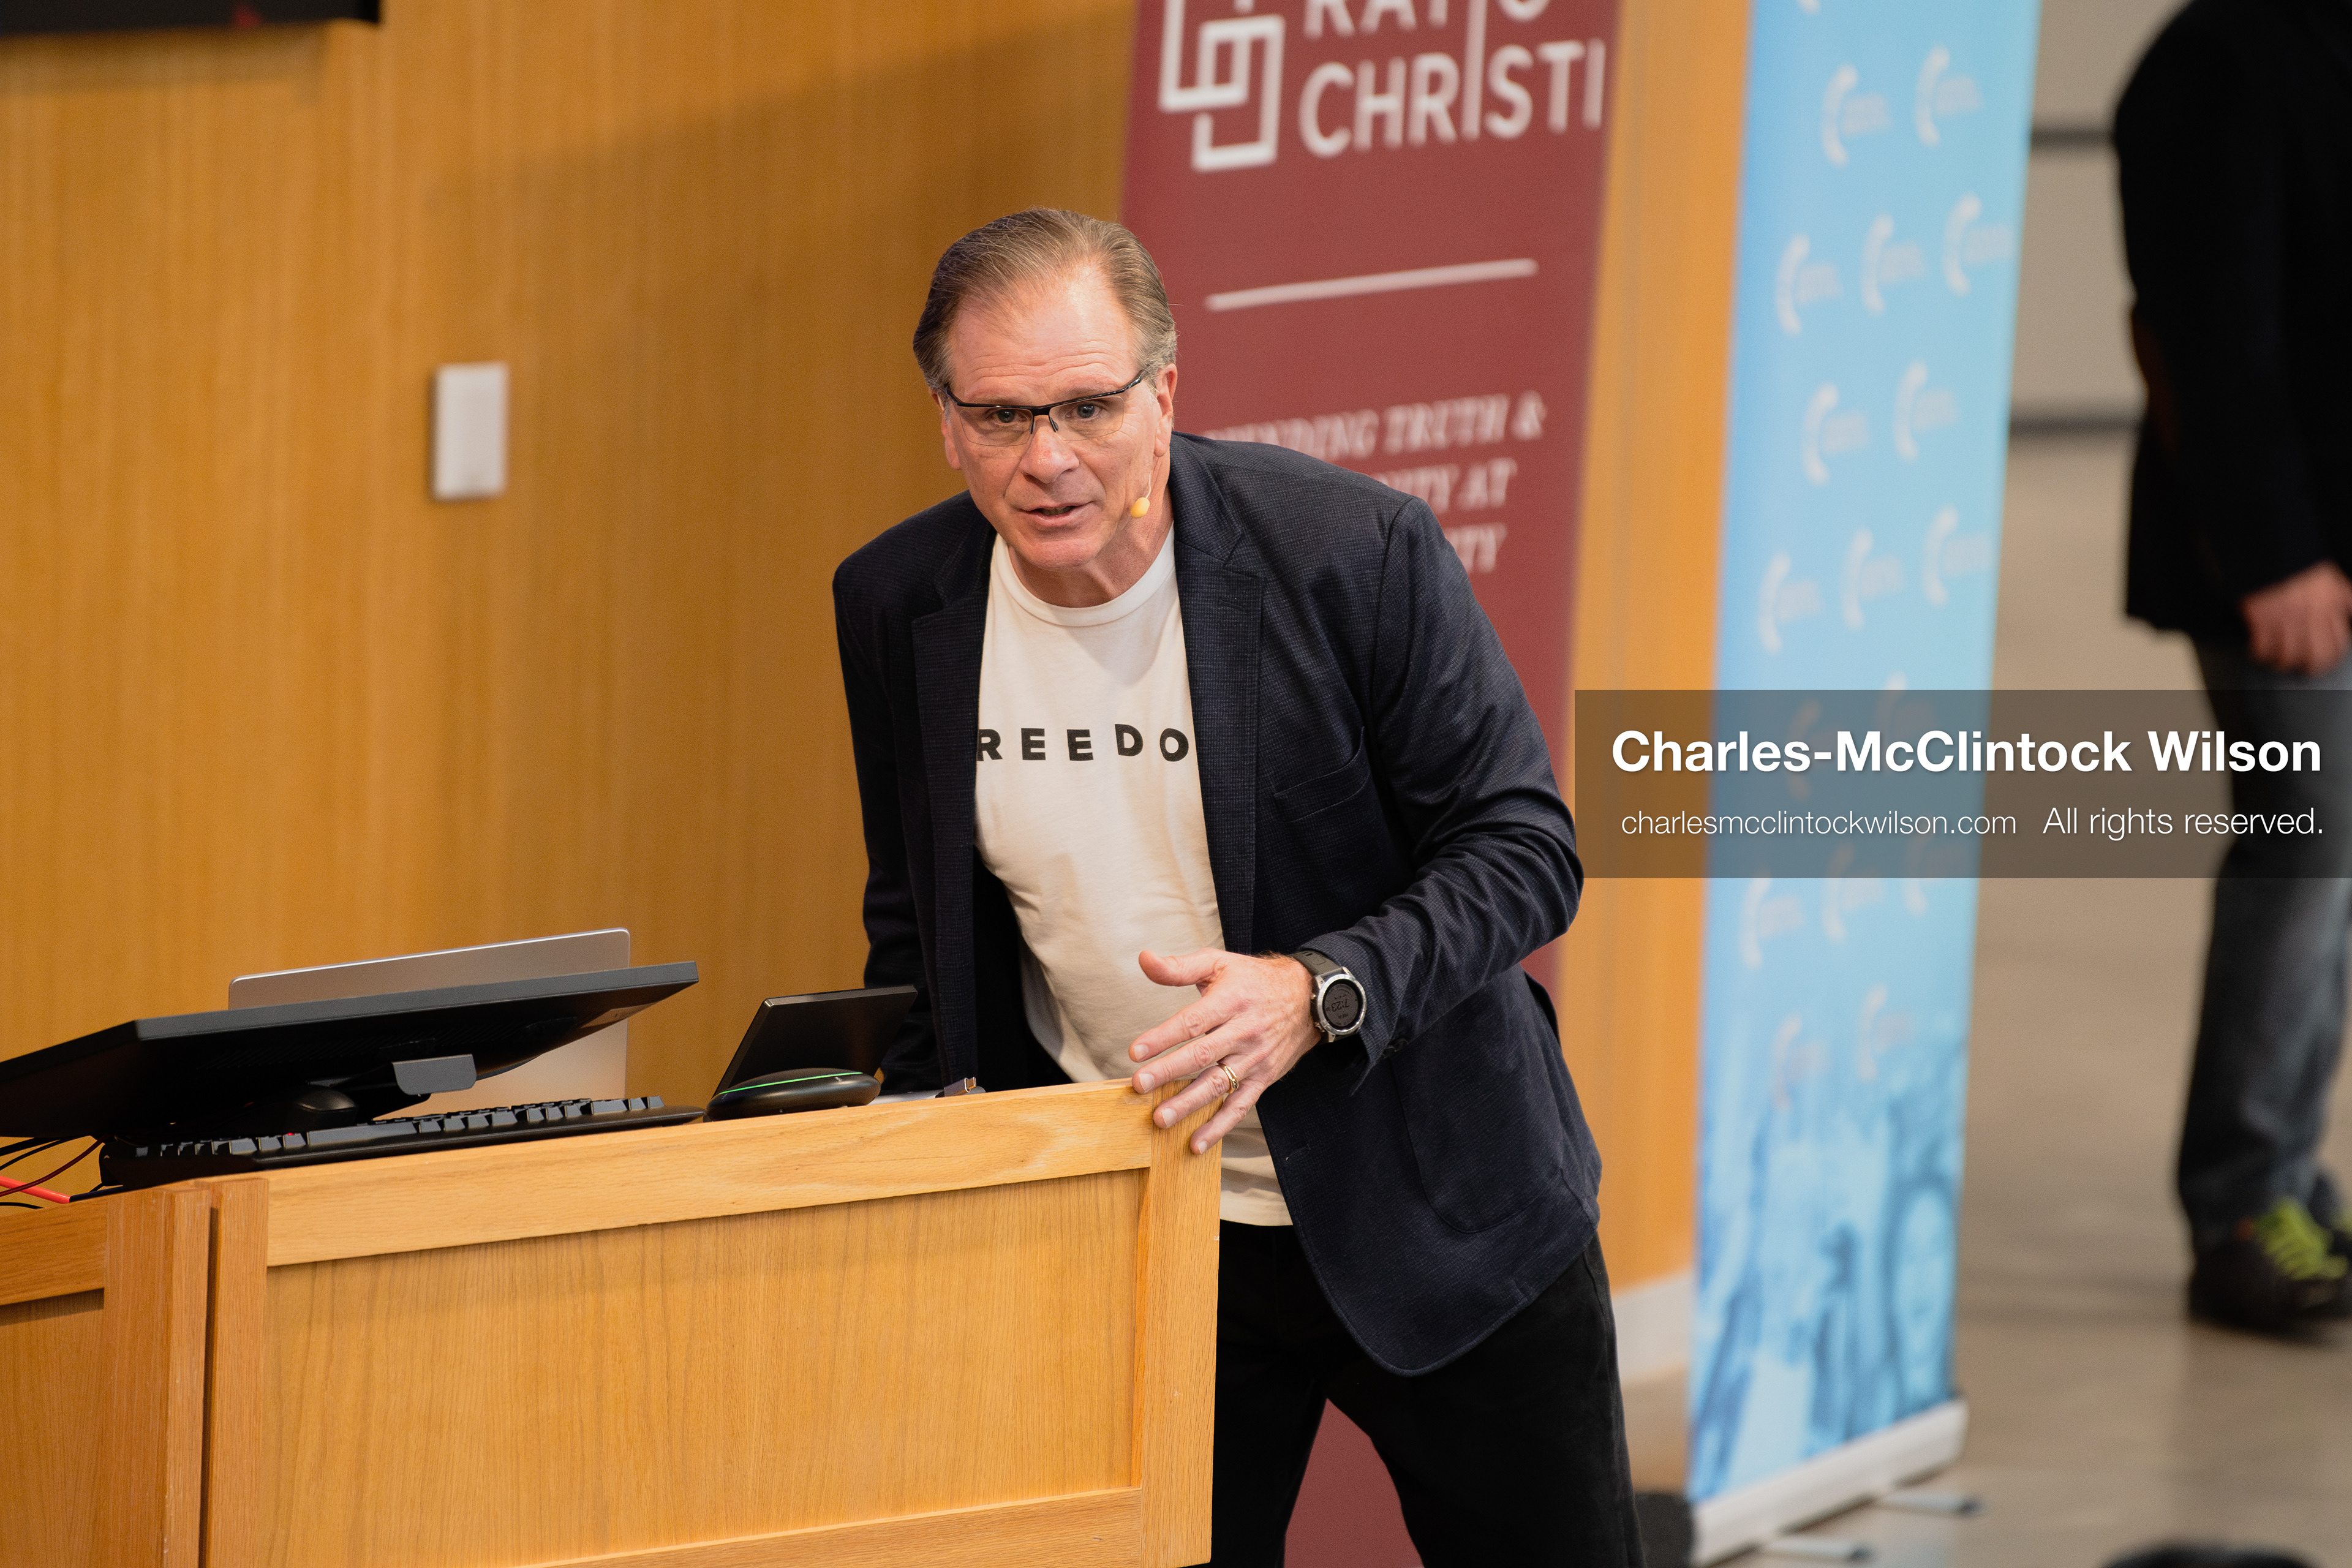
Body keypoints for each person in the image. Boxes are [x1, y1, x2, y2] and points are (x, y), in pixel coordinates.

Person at [831, 208, 1640, 1566]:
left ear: (1164, 395)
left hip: (1440, 1203)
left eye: (1089, 407)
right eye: (1002, 415)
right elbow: (918, 923)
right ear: (947, 422)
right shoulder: (897, 600)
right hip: (1147, 1230)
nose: (1048, 458)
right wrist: (930, 1178)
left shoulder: (1350, 553)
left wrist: (1314, 992)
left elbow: (1523, 848)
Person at [2116, 0, 2352, 1336]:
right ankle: (2243, 1205)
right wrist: (2274, 553)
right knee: (2306, 849)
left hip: (2330, 547)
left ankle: (2293, 1183)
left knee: (2334, 863)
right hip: (2280, 566)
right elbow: (2212, 336)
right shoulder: (2219, 60)